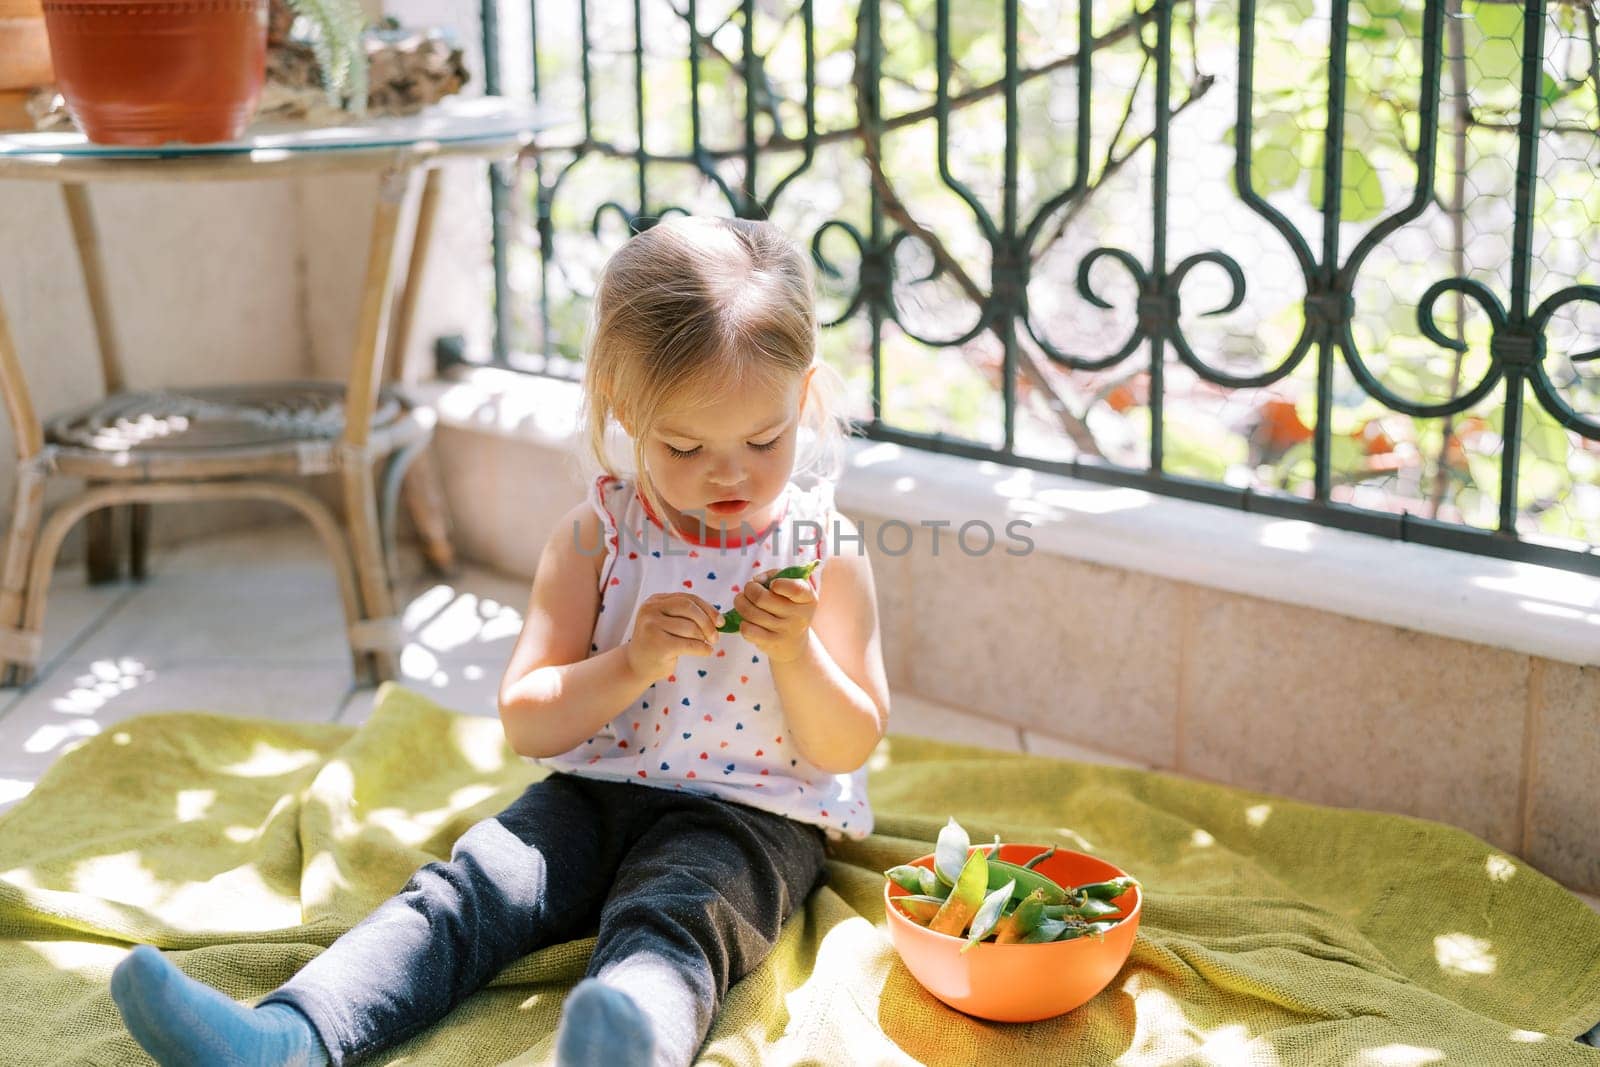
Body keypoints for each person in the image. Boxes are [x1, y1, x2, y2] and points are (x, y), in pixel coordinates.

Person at [109, 215, 892, 1067]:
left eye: (764, 439)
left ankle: (623, 1048)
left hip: (753, 816)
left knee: (676, 915)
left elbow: (848, 742)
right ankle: (289, 1036)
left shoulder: (823, 554)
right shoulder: (597, 538)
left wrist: (797, 653)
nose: (728, 472)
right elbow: (528, 720)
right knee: (471, 887)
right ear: (625, 412)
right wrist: (629, 661)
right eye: (685, 445)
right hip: (594, 791)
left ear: (805, 398)